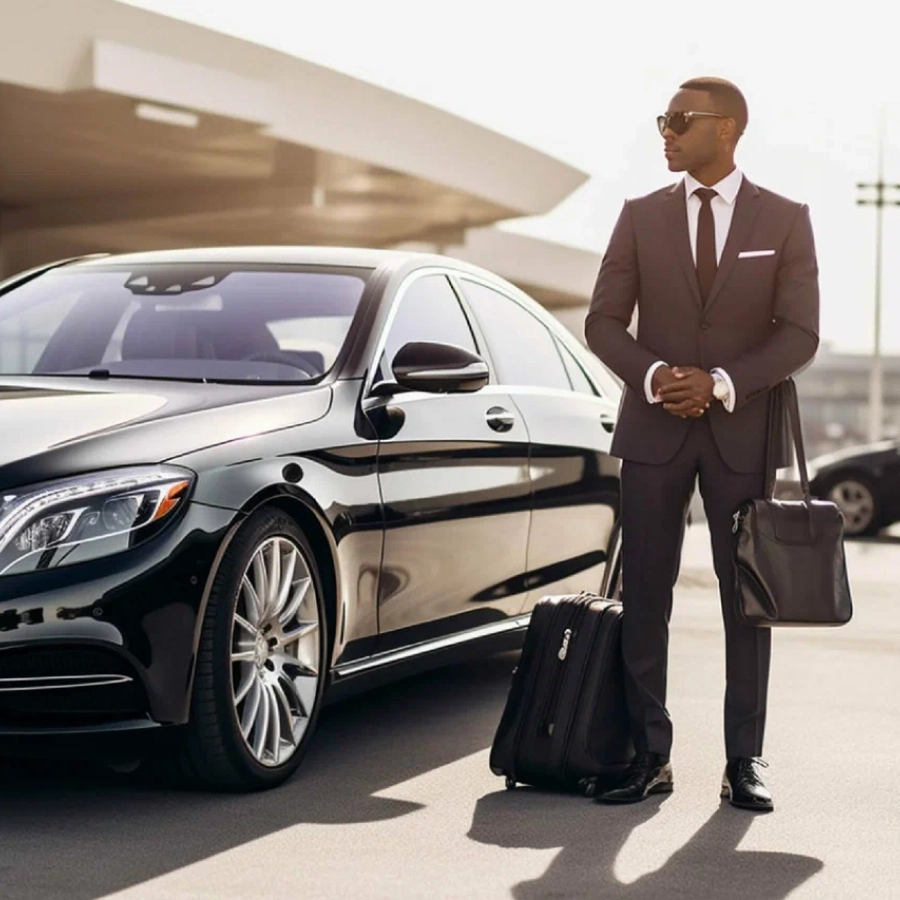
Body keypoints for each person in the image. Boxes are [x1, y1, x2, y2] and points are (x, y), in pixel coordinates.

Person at [584, 77, 819, 811]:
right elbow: (602, 323)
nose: (667, 131)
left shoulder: (785, 218)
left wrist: (719, 381)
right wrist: (656, 377)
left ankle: (744, 760)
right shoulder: (639, 216)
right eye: (664, 118)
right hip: (652, 434)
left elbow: (800, 333)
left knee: (745, 601)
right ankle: (648, 753)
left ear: (728, 129)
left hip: (742, 434)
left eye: (681, 120)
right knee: (644, 593)